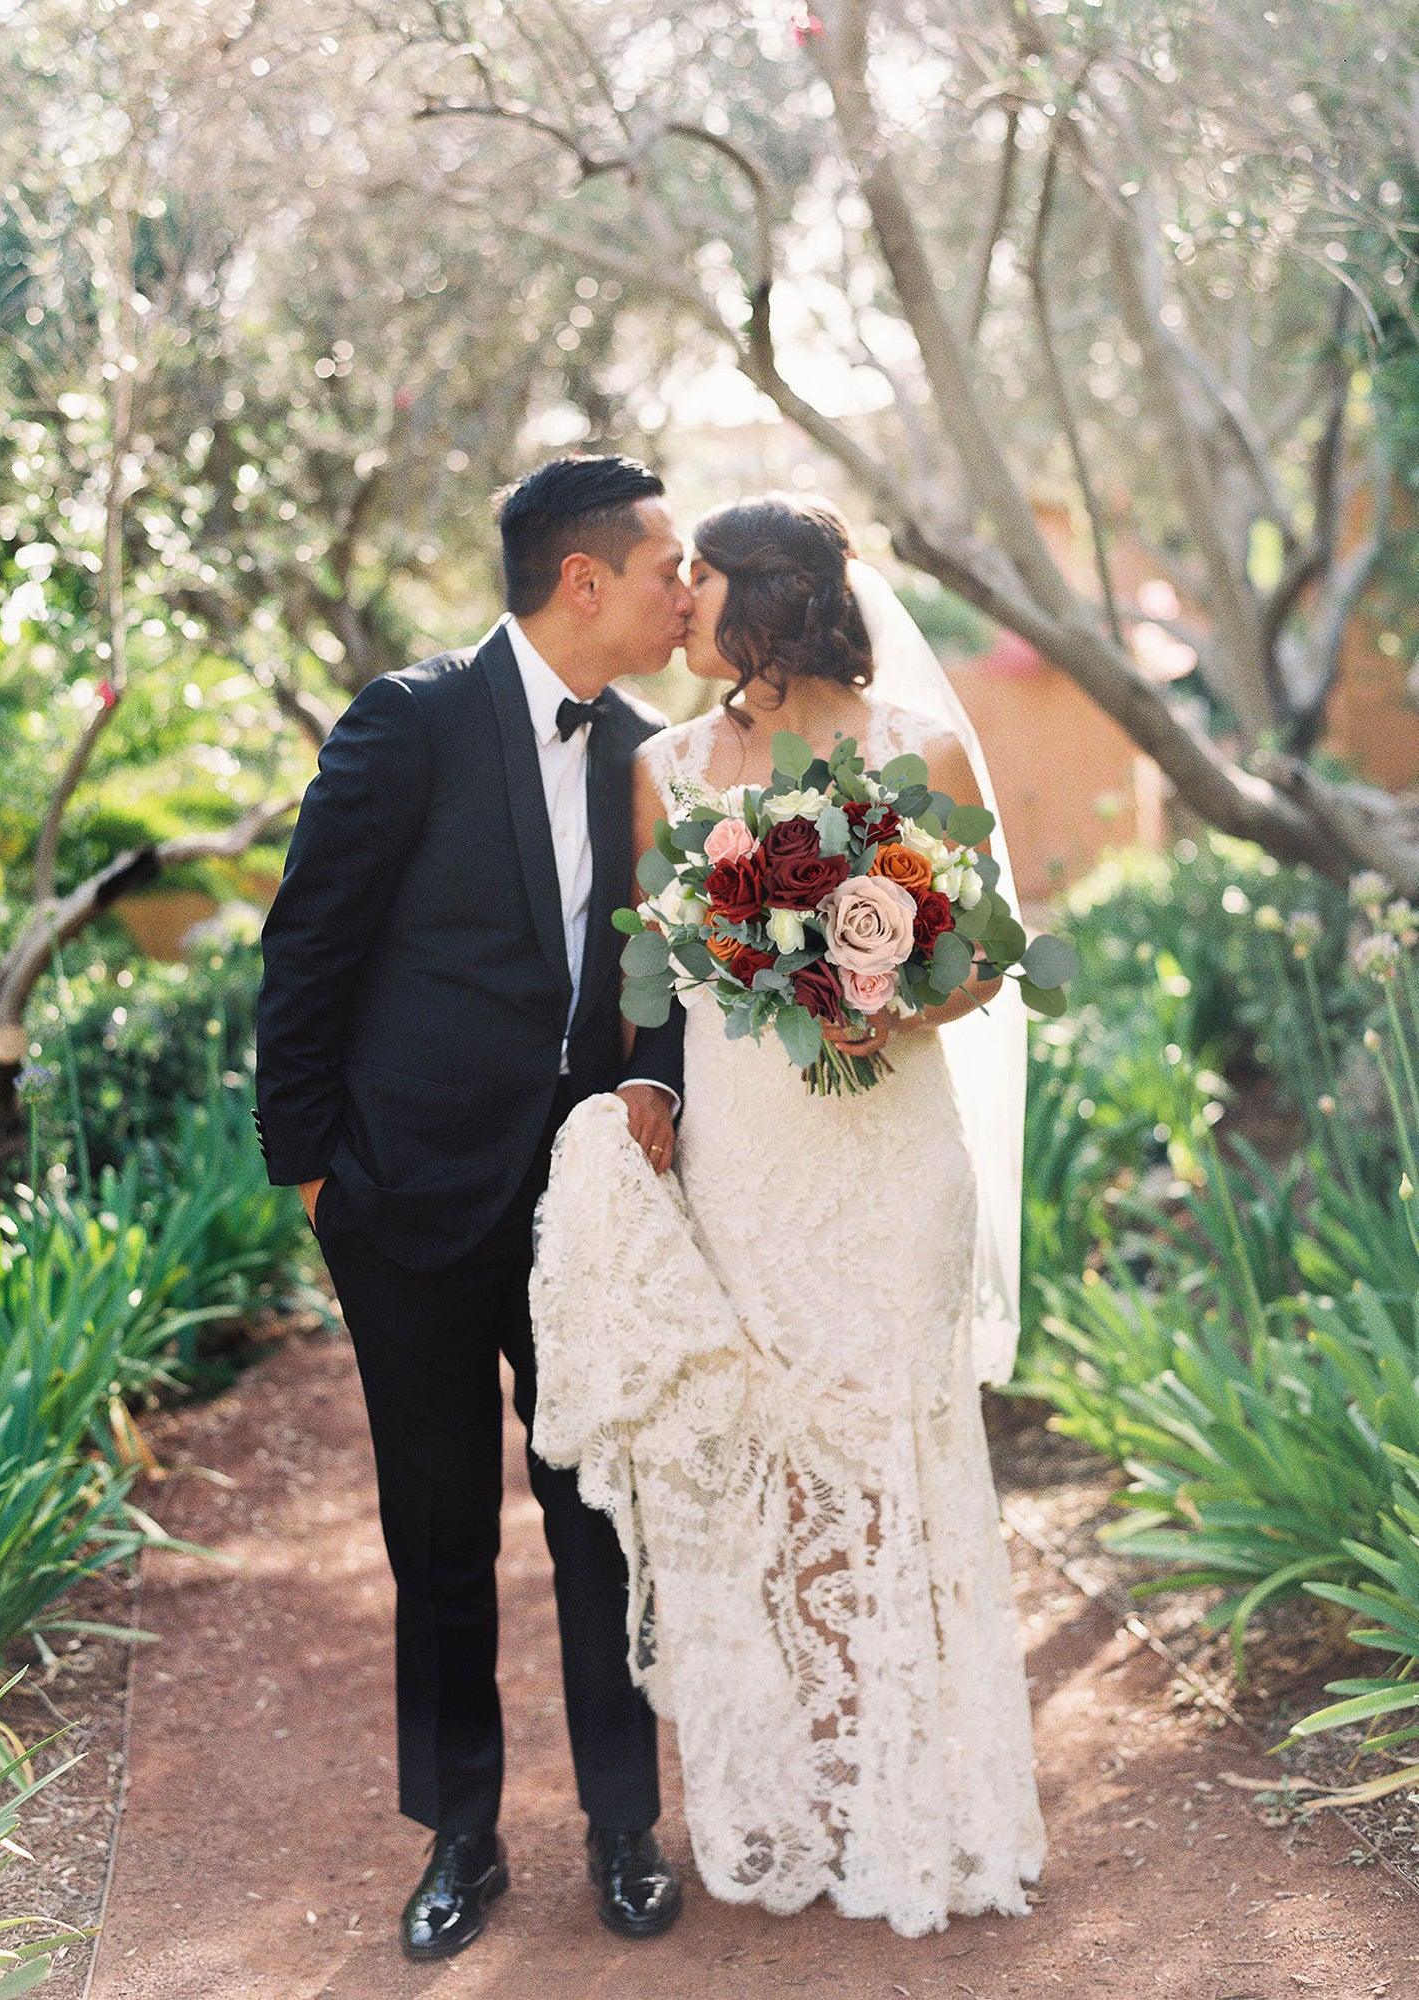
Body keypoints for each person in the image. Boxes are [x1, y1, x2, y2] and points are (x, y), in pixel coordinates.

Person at [530, 493, 1048, 1939]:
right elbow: (646, 981)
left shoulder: (919, 755)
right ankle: (800, 1799)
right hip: (748, 1167)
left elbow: (980, 970)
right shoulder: (667, 767)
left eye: (700, 577)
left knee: (891, 1453)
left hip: (888, 1161)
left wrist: (873, 981)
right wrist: (648, 1099)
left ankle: (917, 1800)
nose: (677, 598)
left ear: (769, 604)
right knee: (770, 1469)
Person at [253, 454, 691, 1961]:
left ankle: (624, 1826)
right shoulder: (412, 720)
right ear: (586, 580)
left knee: (603, 1521)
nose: (681, 591)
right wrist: (311, 1174)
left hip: (580, 1213)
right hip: (402, 1199)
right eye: (663, 565)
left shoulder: (651, 751)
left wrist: (664, 1089)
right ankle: (461, 1836)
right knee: (436, 1530)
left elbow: (674, 969)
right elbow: (305, 947)